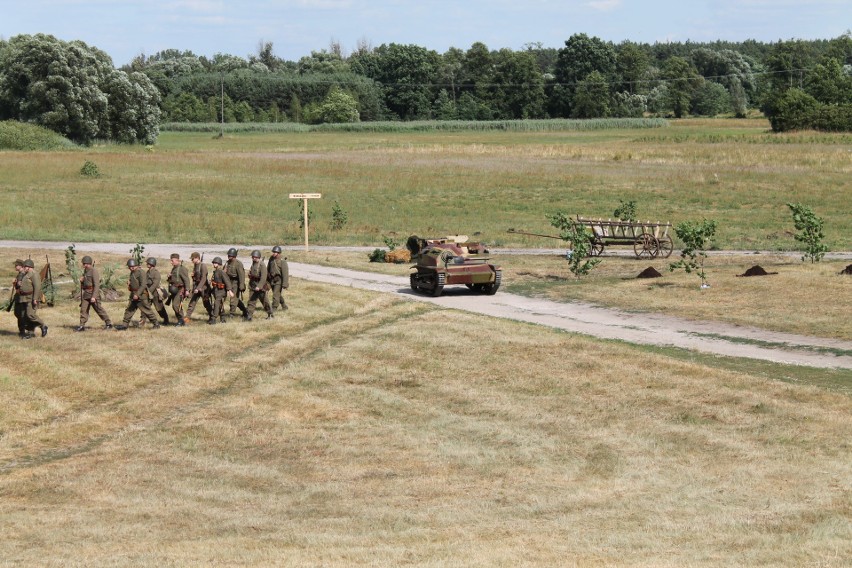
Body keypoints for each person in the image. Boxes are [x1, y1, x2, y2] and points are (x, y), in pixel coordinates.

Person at [76, 255, 112, 332]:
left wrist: (94, 296)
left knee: (99, 309)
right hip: (86, 294)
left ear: (87, 263)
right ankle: (82, 326)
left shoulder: (94, 271)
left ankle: (108, 323)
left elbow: (96, 285)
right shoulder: (86, 270)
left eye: (84, 263)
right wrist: (82, 281)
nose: (83, 265)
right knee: (83, 310)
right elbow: (86, 283)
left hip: (92, 294)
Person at [17, 259, 47, 339]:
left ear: (29, 267)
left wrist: (35, 299)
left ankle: (43, 325)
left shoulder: (34, 274)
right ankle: (30, 333)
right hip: (25, 297)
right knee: (26, 316)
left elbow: (37, 287)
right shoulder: (26, 274)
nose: (23, 268)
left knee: (30, 314)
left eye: (25, 266)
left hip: (31, 297)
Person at [116, 259, 144, 330]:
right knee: (129, 309)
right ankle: (125, 325)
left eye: (132, 266)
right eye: (129, 266)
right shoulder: (132, 273)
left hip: (141, 295)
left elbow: (143, 285)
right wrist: (129, 284)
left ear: (136, 266)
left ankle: (155, 323)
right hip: (133, 294)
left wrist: (137, 294)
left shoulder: (141, 272)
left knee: (147, 310)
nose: (130, 268)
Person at [184, 252, 212, 323]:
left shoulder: (203, 266)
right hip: (196, 287)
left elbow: (203, 279)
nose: (192, 260)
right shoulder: (195, 265)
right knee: (192, 303)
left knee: (206, 304)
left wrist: (198, 288)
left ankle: (212, 317)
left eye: (193, 259)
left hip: (204, 288)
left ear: (197, 258)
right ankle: (187, 317)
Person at [245, 250, 273, 321]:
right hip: (253, 285)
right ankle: (249, 315)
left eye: (254, 257)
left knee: (265, 301)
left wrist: (259, 286)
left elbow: (264, 278)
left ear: (258, 257)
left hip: (261, 286)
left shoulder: (262, 265)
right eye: (252, 257)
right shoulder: (253, 263)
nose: (253, 258)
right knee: (251, 301)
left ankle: (270, 314)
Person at [166, 253, 192, 326]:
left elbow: (186, 280)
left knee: (176, 305)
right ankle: (181, 320)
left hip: (180, 290)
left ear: (177, 260)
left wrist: (187, 290)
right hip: (174, 290)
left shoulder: (182, 269)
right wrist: (169, 277)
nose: (171, 262)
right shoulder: (174, 268)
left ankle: (181, 320)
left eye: (172, 260)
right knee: (175, 306)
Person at [207, 256, 233, 324]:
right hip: (216, 290)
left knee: (216, 304)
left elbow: (227, 281)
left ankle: (213, 318)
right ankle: (223, 318)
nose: (213, 264)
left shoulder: (222, 272)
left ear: (218, 264)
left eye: (215, 263)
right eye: (213, 263)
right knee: (220, 305)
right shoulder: (215, 272)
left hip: (221, 291)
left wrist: (230, 291)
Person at [139, 257, 163, 328]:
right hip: (148, 292)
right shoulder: (148, 272)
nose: (147, 264)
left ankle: (166, 319)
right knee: (145, 306)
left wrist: (149, 292)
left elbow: (155, 284)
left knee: (159, 307)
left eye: (148, 263)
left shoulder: (156, 272)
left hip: (155, 292)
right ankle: (142, 320)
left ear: (152, 264)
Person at [224, 248, 247, 318]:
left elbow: (241, 275)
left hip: (236, 282)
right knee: (236, 299)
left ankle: (232, 313)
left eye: (230, 255)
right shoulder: (227, 263)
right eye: (228, 255)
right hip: (228, 281)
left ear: (234, 256)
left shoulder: (238, 264)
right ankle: (244, 310)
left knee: (233, 298)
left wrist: (241, 285)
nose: (229, 256)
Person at [267, 245, 289, 311]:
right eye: (273, 252)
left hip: (279, 280)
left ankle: (274, 307)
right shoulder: (271, 259)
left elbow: (285, 273)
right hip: (272, 279)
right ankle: (284, 305)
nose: (273, 253)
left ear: (279, 253)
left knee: (275, 294)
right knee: (277, 294)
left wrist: (285, 284)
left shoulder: (282, 261)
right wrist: (267, 279)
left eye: (275, 252)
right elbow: (268, 268)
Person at [11, 259, 26, 337]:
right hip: (19, 296)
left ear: (20, 266)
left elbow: (18, 287)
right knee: (18, 313)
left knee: (20, 314)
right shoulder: (21, 273)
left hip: (21, 297)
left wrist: (14, 283)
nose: (15, 266)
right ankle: (22, 330)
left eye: (16, 265)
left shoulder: (21, 274)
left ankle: (22, 331)